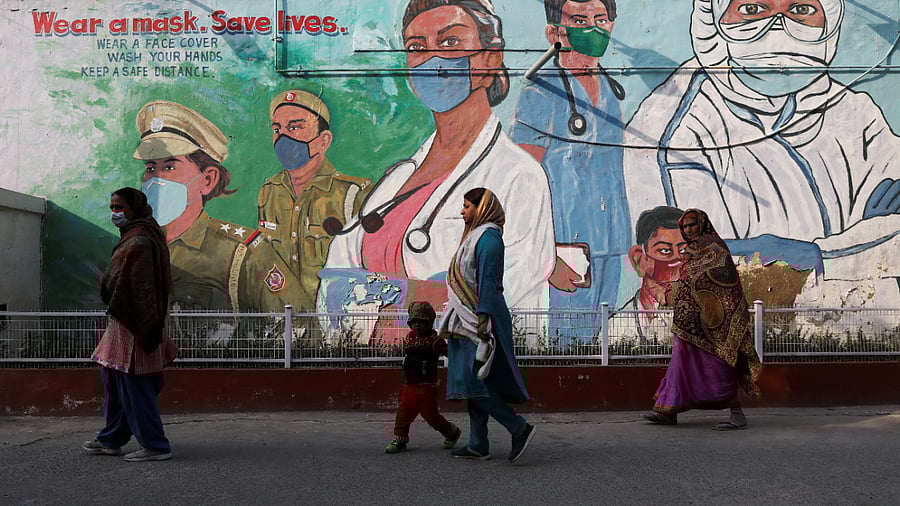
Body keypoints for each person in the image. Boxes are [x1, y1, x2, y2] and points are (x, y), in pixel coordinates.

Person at [624, 0, 900, 307]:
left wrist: (817, 257)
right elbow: (710, 274)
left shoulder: (853, 113)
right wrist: (861, 244)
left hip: (861, 335)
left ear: (830, 20)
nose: (778, 27)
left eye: (801, 10)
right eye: (753, 10)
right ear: (714, 17)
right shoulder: (678, 134)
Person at [321, 0, 555, 334]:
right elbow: (331, 291)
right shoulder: (397, 179)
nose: (433, 59)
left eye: (450, 42)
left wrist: (380, 296)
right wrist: (414, 292)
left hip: (465, 374)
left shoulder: (518, 177)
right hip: (377, 371)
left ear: (490, 59)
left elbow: (491, 301)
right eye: (417, 47)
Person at [510, 0, 629, 341]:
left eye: (600, 19)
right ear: (554, 33)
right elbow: (521, 182)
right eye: (579, 20)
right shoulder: (541, 94)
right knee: (571, 342)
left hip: (610, 238)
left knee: (602, 340)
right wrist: (545, 257)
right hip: (566, 245)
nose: (592, 28)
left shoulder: (610, 90)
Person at [133, 100, 310, 314]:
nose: (156, 179)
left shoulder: (243, 252)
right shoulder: (136, 247)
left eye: (169, 166)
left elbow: (299, 327)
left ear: (208, 179)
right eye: (151, 168)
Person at [438, 188, 535, 462]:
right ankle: (478, 444)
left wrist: (482, 318)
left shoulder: (488, 238)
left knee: (472, 381)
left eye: (467, 206)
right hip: (469, 314)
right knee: (478, 382)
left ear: (481, 209)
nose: (462, 211)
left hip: (480, 316)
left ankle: (518, 427)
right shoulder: (475, 237)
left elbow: (488, 280)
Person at [642, 209, 762, 430]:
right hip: (688, 321)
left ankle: (737, 414)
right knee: (681, 365)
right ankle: (669, 410)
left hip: (715, 322)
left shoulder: (715, 249)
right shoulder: (691, 251)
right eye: (684, 227)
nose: (687, 230)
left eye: (691, 225)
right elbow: (688, 282)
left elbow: (723, 284)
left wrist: (676, 291)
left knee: (720, 365)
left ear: (702, 225)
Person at [82, 187, 176, 462]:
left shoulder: (139, 241)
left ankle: (155, 445)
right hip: (123, 323)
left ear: (135, 208)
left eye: (120, 207)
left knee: (135, 386)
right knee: (114, 381)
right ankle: (112, 438)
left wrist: (106, 282)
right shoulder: (141, 235)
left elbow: (129, 283)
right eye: (112, 207)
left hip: (135, 325)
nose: (115, 213)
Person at [258, 90, 372, 309]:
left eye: (295, 127)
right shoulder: (269, 191)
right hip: (284, 322)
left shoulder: (353, 194)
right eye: (277, 129)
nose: (283, 137)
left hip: (334, 323)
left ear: (324, 140)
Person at [384, 301, 462, 454]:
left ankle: (451, 432)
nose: (417, 326)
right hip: (409, 385)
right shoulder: (410, 338)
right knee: (403, 414)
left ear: (429, 323)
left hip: (426, 386)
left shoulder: (435, 340)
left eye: (421, 322)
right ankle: (400, 439)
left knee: (431, 416)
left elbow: (451, 353)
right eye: (414, 322)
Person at [616, 206, 685, 343]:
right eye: (665, 251)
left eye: (684, 251)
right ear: (639, 260)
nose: (679, 262)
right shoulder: (618, 328)